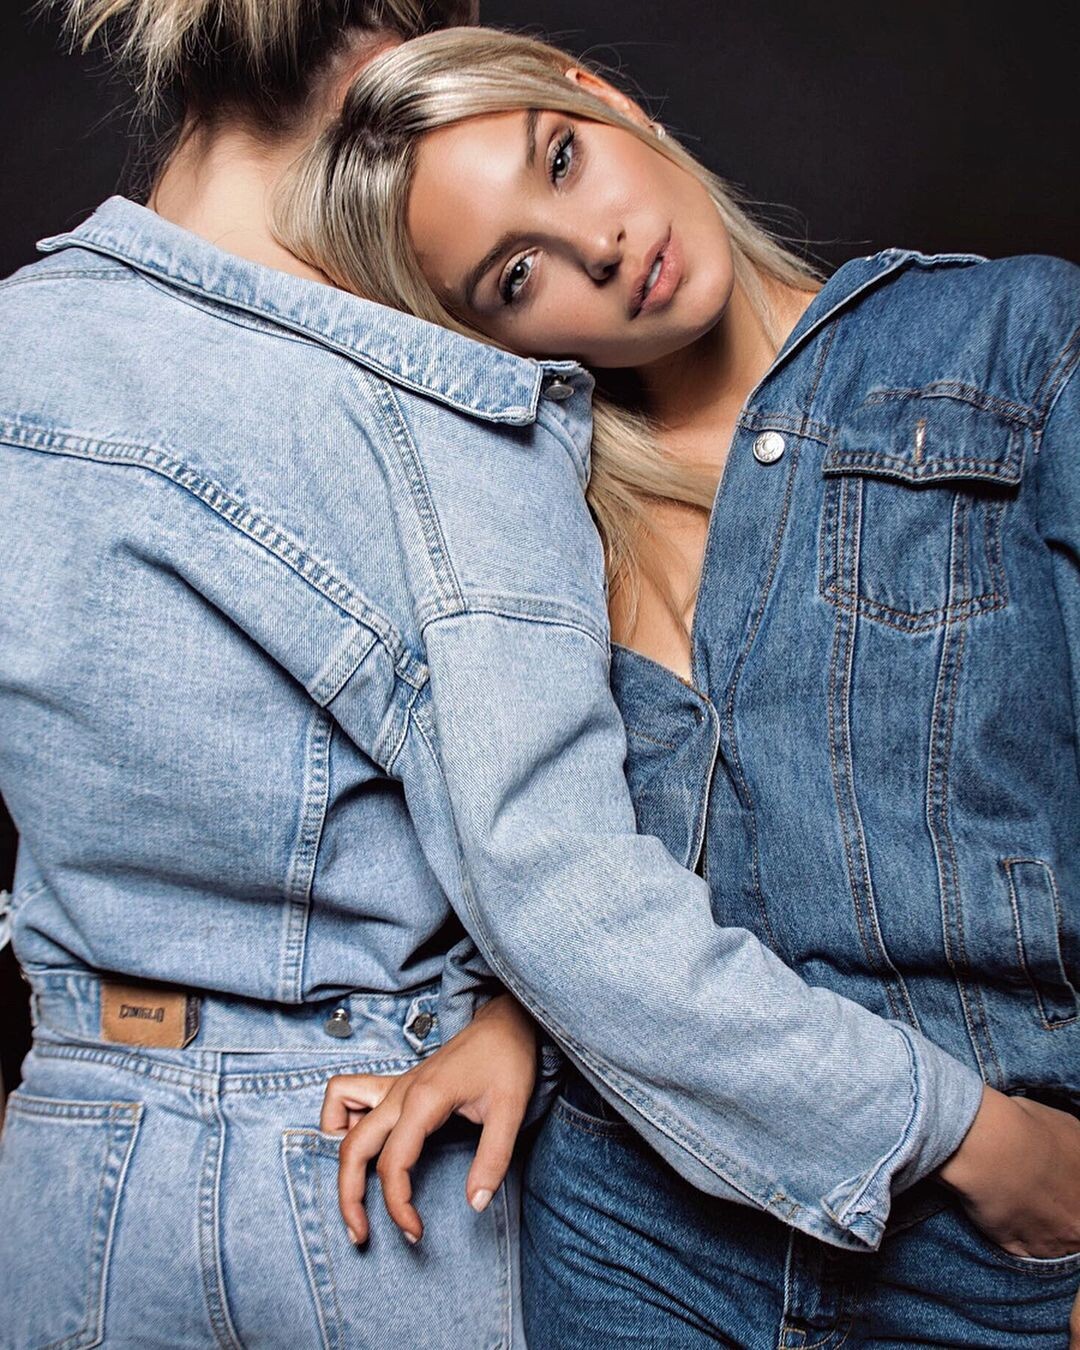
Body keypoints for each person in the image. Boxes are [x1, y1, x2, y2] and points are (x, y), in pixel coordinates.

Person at [277, 28, 1080, 1347]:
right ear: (485, 334)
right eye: (516, 274)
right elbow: (599, 869)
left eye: (560, 159)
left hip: (994, 1235)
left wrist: (1025, 1164)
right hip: (636, 1231)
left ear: (603, 97)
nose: (596, 246)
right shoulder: (543, 527)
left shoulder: (1014, 346)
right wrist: (520, 1016)